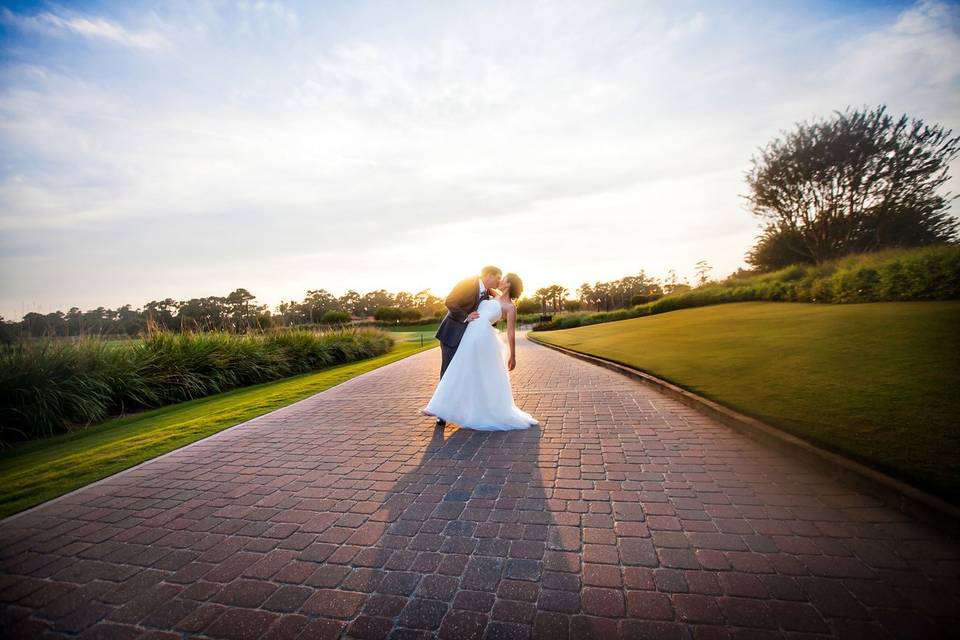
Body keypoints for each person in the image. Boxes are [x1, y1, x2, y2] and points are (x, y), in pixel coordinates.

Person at [423, 272, 538, 431]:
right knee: (458, 369)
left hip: (483, 339)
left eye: (503, 279)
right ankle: (440, 408)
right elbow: (469, 296)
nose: (500, 280)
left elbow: (511, 332)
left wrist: (513, 355)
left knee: (469, 371)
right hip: (468, 336)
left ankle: (445, 407)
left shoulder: (510, 307)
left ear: (509, 284)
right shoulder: (490, 294)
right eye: (498, 277)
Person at [432, 266, 503, 427]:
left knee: (465, 373)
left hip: (468, 339)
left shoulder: (487, 293)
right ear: (488, 275)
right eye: (497, 277)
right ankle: (441, 413)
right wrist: (465, 316)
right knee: (448, 371)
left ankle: (461, 410)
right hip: (451, 334)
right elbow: (449, 301)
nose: (499, 281)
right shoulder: (467, 283)